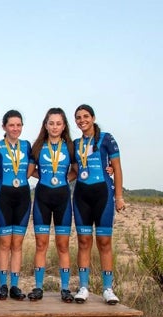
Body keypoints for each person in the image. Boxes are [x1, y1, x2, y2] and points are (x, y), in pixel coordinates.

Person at [72, 104, 125, 305]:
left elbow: (117, 168)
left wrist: (119, 196)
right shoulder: (75, 143)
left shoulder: (106, 138)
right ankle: (84, 286)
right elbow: (73, 169)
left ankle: (107, 288)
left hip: (103, 195)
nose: (82, 120)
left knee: (104, 243)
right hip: (81, 196)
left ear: (93, 118)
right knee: (84, 242)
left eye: (85, 116)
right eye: (78, 117)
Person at [28, 108, 76, 302]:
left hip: (63, 198)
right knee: (41, 244)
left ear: (64, 126)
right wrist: (47, 177)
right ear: (45, 125)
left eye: (58, 123)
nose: (55, 127)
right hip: (42, 198)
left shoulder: (71, 147)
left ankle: (65, 288)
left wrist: (62, 178)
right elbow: (30, 171)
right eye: (51, 123)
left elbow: (76, 170)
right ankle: (38, 287)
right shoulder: (38, 146)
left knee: (63, 245)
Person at [0, 110, 33, 301]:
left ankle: (14, 285)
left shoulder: (27, 146)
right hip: (3, 197)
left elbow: (32, 167)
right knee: (5, 243)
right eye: (11, 125)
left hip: (23, 195)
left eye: (19, 125)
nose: (15, 128)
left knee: (17, 244)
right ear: (4, 126)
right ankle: (2, 285)